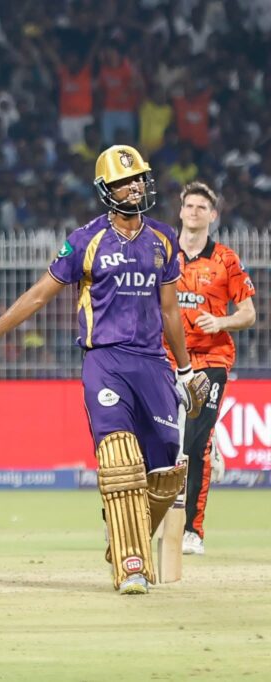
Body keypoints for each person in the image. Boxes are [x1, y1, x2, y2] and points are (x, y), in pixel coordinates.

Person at [0, 146, 210, 596]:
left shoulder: (163, 238)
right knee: (119, 459)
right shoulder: (85, 240)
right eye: (124, 182)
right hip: (105, 361)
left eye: (138, 179)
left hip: (152, 363)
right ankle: (132, 565)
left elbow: (170, 312)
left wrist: (184, 371)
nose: (134, 187)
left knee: (165, 471)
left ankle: (124, 537)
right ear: (107, 190)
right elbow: (40, 295)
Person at [173, 181, 256, 555]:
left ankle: (192, 530)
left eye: (201, 207)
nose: (194, 212)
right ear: (180, 211)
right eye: (189, 206)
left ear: (213, 215)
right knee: (162, 441)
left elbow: (249, 314)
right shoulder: (162, 254)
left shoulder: (226, 260)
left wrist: (220, 322)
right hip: (165, 358)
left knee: (194, 443)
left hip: (211, 359)